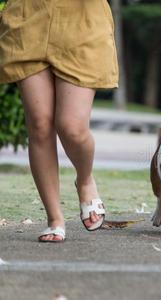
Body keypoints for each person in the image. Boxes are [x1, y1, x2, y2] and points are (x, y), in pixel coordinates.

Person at [0, 0, 119, 242]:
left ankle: (84, 179)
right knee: (40, 125)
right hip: (28, 16)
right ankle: (54, 219)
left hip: (82, 22)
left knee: (72, 127)